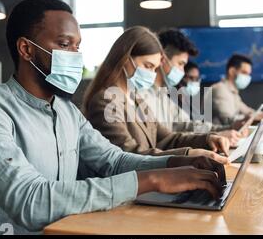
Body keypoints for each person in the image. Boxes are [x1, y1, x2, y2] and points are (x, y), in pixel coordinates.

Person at [0, 0, 226, 235]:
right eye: (64, 44)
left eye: (77, 47)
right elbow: (28, 200)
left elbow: (113, 160)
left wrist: (177, 162)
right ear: (26, 49)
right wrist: (151, 180)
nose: (75, 56)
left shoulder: (67, 112)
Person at [83, 26, 230, 164]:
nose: (152, 74)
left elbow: (166, 138)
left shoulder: (136, 98)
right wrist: (188, 154)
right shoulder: (106, 101)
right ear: (125, 59)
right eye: (147, 66)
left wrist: (207, 139)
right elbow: (128, 155)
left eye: (154, 68)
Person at [139, 29, 243, 145]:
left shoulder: (162, 95)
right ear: (162, 60)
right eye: (180, 64)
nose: (182, 72)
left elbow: (186, 125)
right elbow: (164, 139)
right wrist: (212, 137)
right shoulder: (142, 95)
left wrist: (223, 130)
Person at [206, 54, 259, 127]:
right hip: (215, 135)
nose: (247, 77)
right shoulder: (219, 89)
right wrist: (254, 117)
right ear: (232, 71)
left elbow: (247, 111)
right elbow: (228, 120)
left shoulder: (233, 91)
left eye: (248, 74)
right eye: (244, 73)